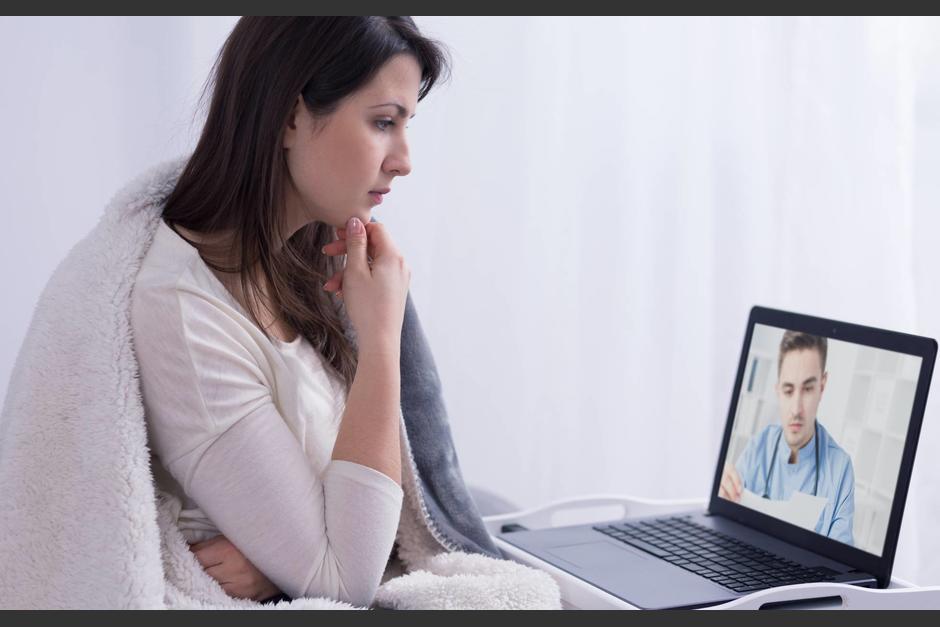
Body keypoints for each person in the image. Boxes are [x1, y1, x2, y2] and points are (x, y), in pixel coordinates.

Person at [131, 17, 449, 606]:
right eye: (384, 122)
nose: (403, 160)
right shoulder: (184, 314)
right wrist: (381, 341)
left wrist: (278, 568)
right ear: (290, 117)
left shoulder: (304, 261)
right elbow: (344, 584)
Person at [718, 331, 856, 545]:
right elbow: (728, 529)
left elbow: (842, 559)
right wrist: (721, 497)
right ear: (777, 390)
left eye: (808, 389)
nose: (796, 410)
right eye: (788, 390)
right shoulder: (759, 446)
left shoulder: (840, 468)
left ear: (822, 386)